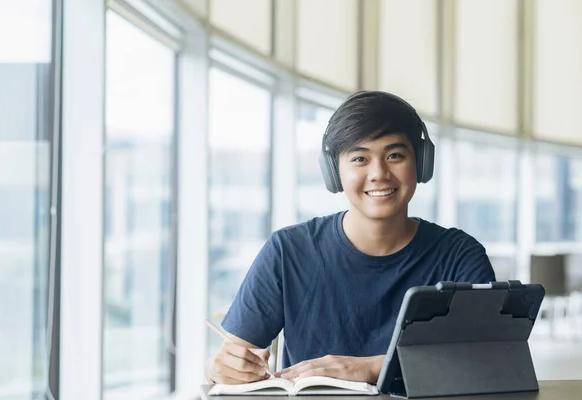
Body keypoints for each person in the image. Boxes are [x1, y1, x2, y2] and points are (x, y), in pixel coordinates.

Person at [205, 91, 496, 385]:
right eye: (360, 158)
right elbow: (232, 358)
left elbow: (488, 363)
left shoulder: (459, 256)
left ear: (420, 162)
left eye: (395, 155)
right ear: (334, 172)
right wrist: (219, 368)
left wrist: (375, 367)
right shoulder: (288, 252)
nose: (379, 173)